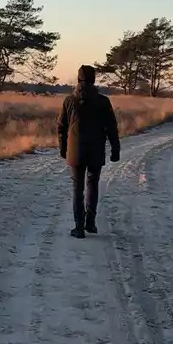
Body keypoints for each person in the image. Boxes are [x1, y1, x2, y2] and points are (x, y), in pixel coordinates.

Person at [56, 65, 120, 237]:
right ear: (93, 79)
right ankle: (90, 223)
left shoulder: (69, 101)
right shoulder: (103, 101)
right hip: (96, 150)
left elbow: (61, 127)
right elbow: (111, 128)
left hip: (75, 151)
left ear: (78, 79)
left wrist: (63, 149)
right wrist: (115, 149)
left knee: (77, 188)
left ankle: (78, 227)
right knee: (93, 184)